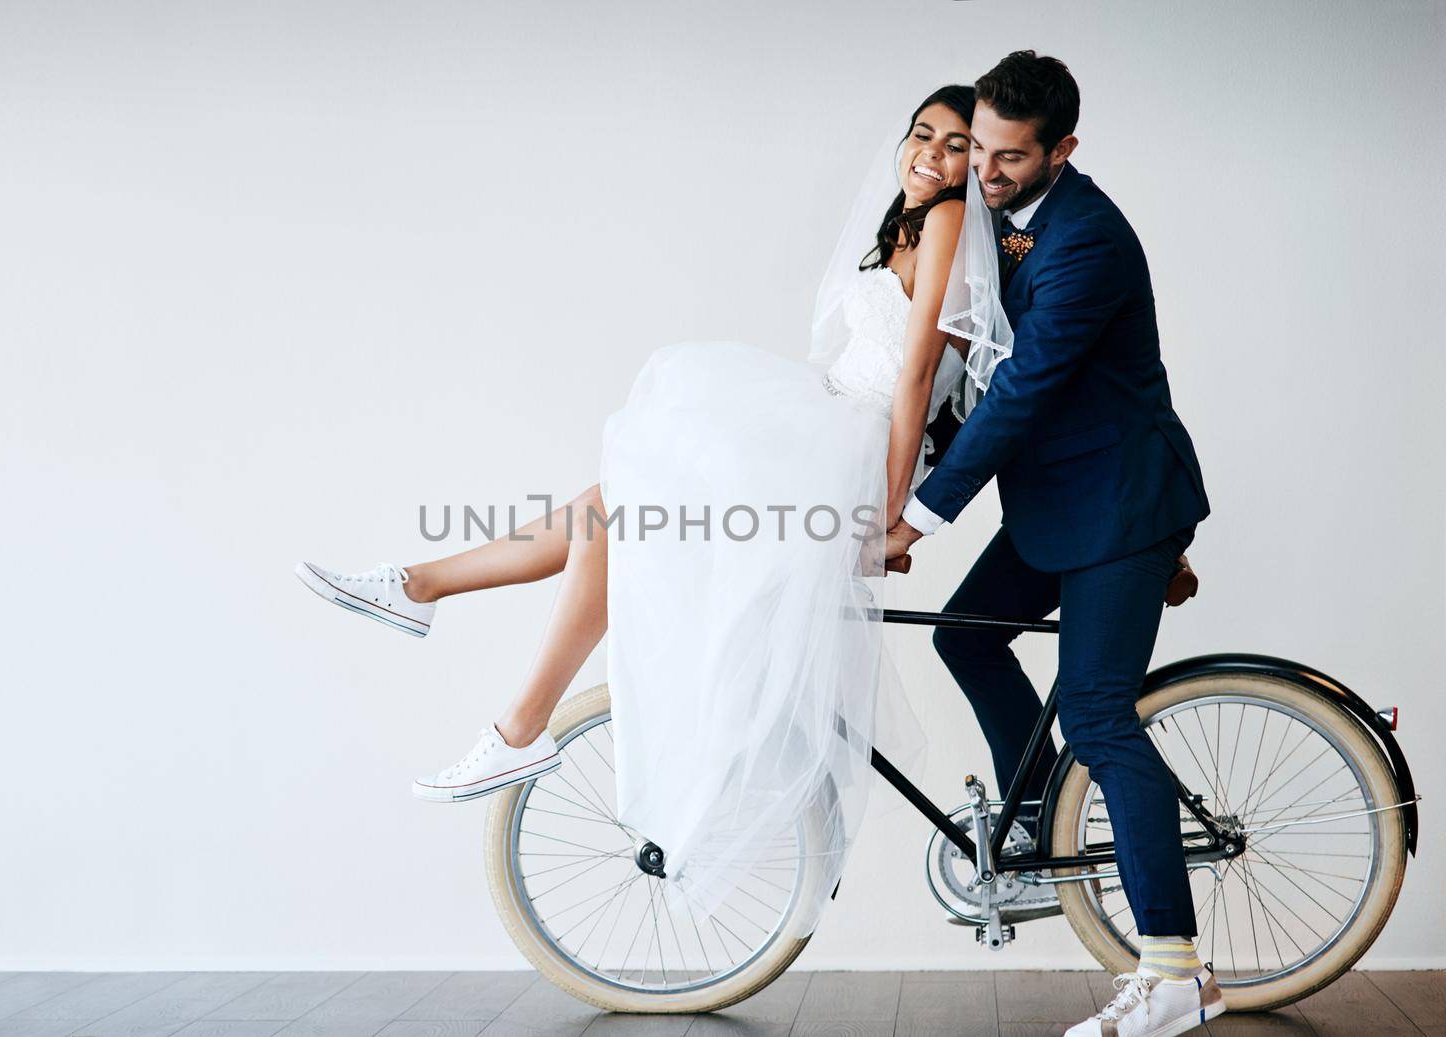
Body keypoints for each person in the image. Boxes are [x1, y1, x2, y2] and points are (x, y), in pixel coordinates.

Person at [293, 85, 988, 932]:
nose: (933, 155)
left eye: (956, 145)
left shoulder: (952, 221)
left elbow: (918, 375)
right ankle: (423, 591)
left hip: (851, 449)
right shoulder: (912, 221)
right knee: (602, 508)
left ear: (977, 161)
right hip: (830, 428)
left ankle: (506, 707)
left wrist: (886, 510)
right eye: (922, 134)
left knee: (615, 508)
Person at [896, 52, 1220, 1037]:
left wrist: (920, 515)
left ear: (1061, 150)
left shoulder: (1088, 241)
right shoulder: (989, 214)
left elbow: (1022, 389)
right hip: (1058, 506)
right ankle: (1040, 819)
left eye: (1006, 156)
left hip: (1119, 501)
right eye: (976, 148)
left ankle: (1174, 971)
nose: (983, 169)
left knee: (1095, 712)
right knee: (965, 634)